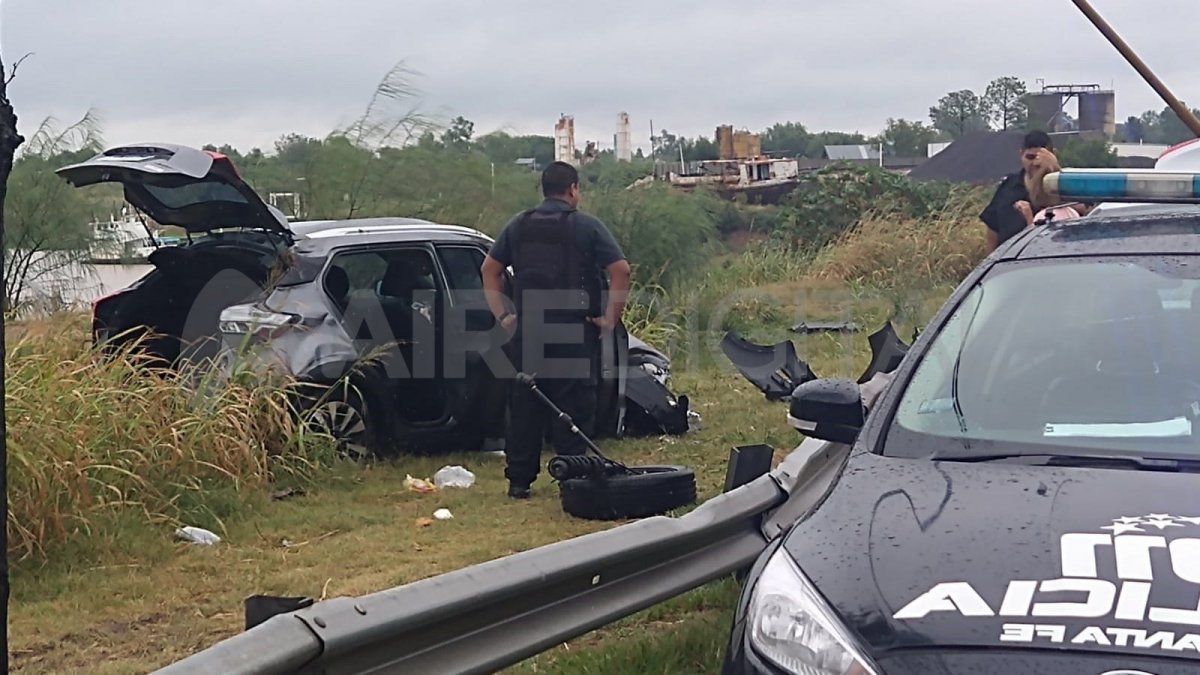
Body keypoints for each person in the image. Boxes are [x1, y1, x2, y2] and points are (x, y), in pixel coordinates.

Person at [481, 161, 631, 499]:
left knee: (526, 404)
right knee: (574, 404)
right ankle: (572, 477)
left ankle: (519, 482)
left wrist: (504, 315)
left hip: (529, 332)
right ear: (573, 189)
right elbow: (620, 270)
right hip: (574, 332)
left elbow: (489, 270)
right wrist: (608, 319)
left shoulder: (517, 226)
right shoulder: (587, 227)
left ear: (543, 189)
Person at [980, 131, 1059, 253]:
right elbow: (993, 227)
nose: (1035, 163)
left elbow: (1080, 209)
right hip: (1008, 260)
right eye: (1030, 157)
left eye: (1040, 158)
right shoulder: (1008, 186)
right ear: (1021, 154)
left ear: (1053, 155)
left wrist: (1053, 169)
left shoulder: (1061, 186)